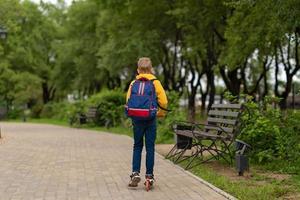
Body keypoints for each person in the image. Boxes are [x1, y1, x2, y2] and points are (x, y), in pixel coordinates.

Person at [126, 57, 168, 187]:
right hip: (150, 118)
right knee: (150, 147)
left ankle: (135, 173)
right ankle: (149, 177)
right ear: (151, 69)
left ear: (138, 70)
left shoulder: (133, 83)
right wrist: (160, 114)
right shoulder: (155, 82)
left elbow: (128, 100)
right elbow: (164, 102)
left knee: (137, 146)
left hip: (137, 120)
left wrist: (132, 115)